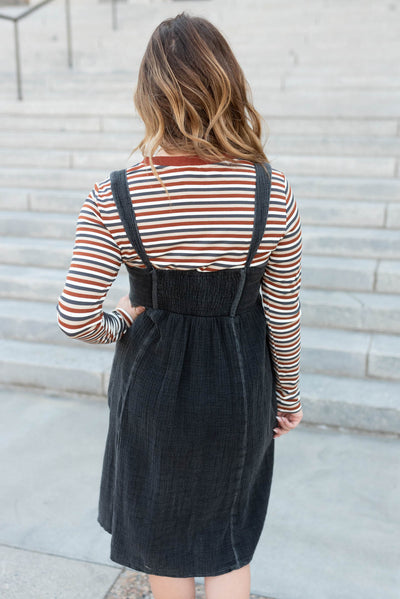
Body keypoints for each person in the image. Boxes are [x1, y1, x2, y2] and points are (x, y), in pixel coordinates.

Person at [57, 11, 303, 599]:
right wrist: (286, 397)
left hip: (152, 391)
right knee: (229, 541)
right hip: (241, 389)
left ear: (150, 95)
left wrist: (123, 318)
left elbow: (74, 317)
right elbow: (283, 316)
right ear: (227, 84)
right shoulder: (272, 192)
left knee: (164, 547)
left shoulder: (116, 193)